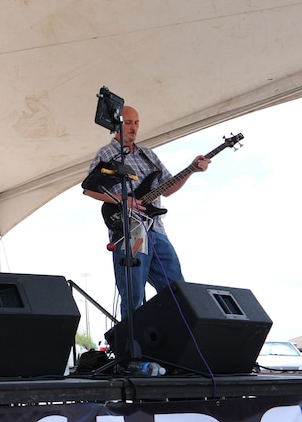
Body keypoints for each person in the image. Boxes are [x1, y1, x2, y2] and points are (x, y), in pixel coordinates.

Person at [83, 106, 209, 319]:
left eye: (137, 123)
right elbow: (89, 189)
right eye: (129, 123)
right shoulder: (107, 153)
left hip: (157, 230)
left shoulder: (148, 155)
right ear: (117, 125)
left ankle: (176, 341)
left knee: (177, 290)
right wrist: (125, 200)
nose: (133, 128)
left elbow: (168, 188)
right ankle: (131, 348)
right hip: (129, 232)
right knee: (134, 296)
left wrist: (191, 169)